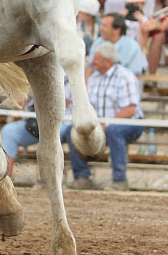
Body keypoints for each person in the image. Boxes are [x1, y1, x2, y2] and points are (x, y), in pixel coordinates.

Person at [61, 42, 143, 190]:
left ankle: (119, 180)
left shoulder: (125, 76)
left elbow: (130, 109)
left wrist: (107, 125)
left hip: (130, 123)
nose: (93, 62)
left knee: (114, 131)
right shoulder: (94, 77)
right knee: (71, 131)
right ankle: (82, 177)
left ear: (108, 61)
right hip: (102, 124)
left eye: (97, 59)